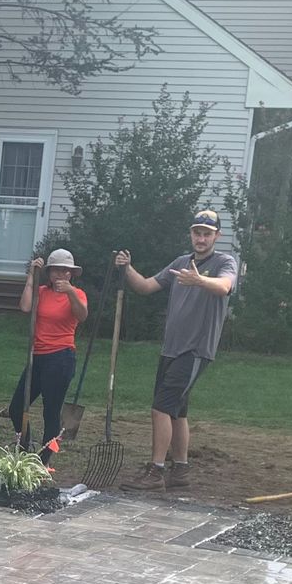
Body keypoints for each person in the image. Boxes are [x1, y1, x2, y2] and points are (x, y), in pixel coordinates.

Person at [111, 210, 239, 491]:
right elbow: (145, 287)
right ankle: (180, 470)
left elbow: (225, 286)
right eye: (197, 232)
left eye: (207, 233)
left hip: (194, 350)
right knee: (177, 412)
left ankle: (156, 471)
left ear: (216, 236)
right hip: (171, 350)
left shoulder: (224, 262)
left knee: (160, 408)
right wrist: (127, 268)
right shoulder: (181, 262)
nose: (201, 238)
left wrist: (200, 281)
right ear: (191, 234)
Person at [11, 248, 88, 458]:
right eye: (56, 270)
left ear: (71, 273)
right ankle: (25, 449)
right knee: (16, 408)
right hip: (37, 356)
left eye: (65, 271)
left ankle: (44, 461)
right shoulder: (42, 291)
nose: (61, 275)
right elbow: (26, 307)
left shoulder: (78, 294)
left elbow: (82, 316)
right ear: (49, 272)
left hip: (61, 357)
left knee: (51, 412)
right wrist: (30, 277)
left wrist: (70, 291)